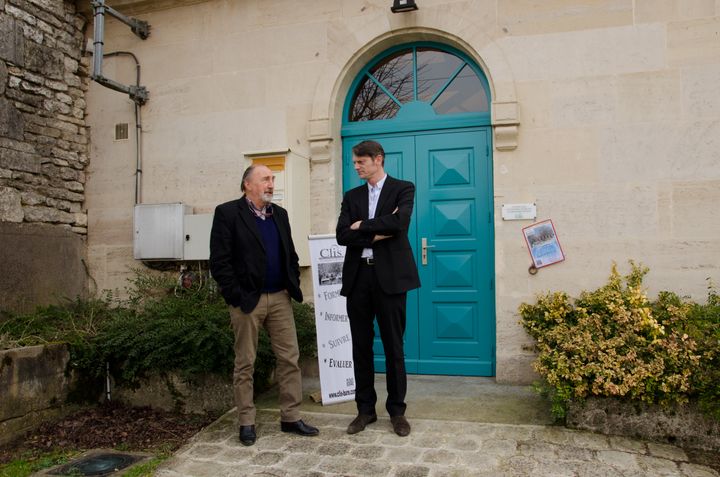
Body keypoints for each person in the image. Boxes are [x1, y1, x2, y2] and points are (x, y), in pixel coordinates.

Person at [209, 164, 319, 446]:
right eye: (265, 179)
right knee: (245, 362)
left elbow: (290, 255)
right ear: (247, 184)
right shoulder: (228, 213)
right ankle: (246, 421)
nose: (271, 184)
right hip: (247, 301)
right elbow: (220, 261)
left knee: (290, 359)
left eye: (272, 179)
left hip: (280, 298)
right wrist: (235, 295)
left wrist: (290, 280)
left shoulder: (279, 214)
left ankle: (290, 417)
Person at [336, 140, 420, 437]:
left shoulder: (403, 188)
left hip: (391, 278)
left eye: (360, 161)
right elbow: (342, 235)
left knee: (394, 347)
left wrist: (362, 226)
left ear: (378, 159)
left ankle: (397, 411)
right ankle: (365, 411)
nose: (356, 166)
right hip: (359, 279)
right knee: (360, 346)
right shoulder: (352, 195)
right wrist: (374, 232)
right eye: (355, 162)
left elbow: (400, 224)